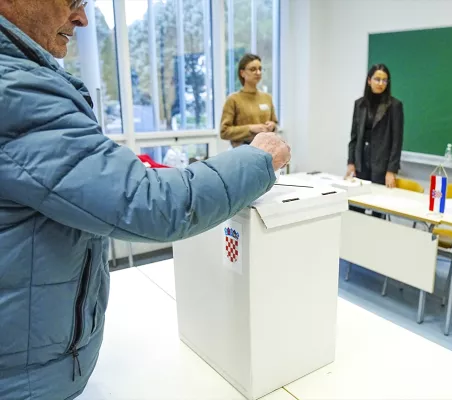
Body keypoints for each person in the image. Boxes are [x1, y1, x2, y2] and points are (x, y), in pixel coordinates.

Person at [0, 2, 291, 400]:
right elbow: (150, 203)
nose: (82, 18)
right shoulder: (17, 90)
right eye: (72, 1)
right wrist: (258, 159)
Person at [345, 63, 404, 218]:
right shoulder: (360, 104)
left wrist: (391, 170)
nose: (381, 83)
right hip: (361, 162)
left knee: (378, 210)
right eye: (377, 79)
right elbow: (354, 136)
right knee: (356, 209)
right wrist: (351, 162)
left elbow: (397, 141)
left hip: (382, 165)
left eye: (385, 80)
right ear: (369, 80)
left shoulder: (394, 106)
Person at [220, 53, 278, 148]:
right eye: (253, 69)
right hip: (243, 152)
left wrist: (272, 125)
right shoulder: (233, 99)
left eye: (260, 69)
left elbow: (275, 123)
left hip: (266, 150)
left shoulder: (267, 97)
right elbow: (224, 132)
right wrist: (250, 128)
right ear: (242, 73)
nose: (258, 72)